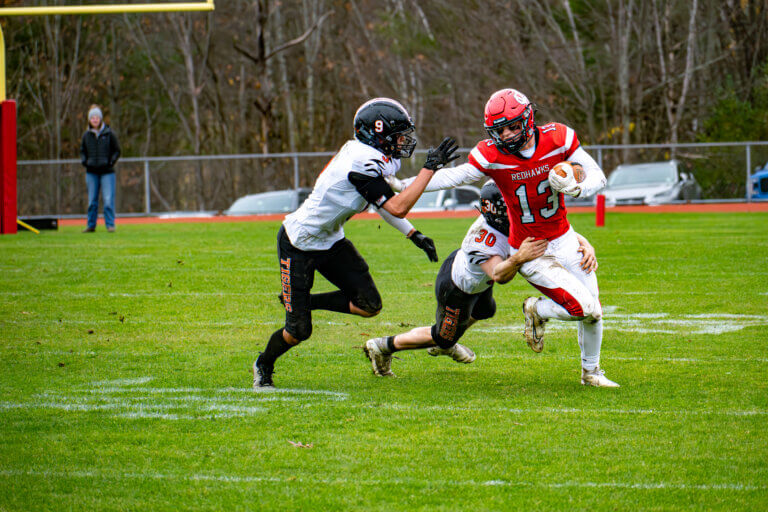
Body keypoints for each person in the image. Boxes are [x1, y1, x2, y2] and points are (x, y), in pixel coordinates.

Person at [393, 88, 618, 387]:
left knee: (595, 312)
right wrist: (402, 183)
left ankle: (591, 373)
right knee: (583, 308)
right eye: (501, 130)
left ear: (528, 118)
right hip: (530, 247)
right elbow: (455, 176)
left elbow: (597, 176)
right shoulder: (492, 154)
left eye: (513, 126)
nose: (509, 134)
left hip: (564, 237)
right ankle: (535, 308)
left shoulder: (558, 138)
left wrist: (577, 187)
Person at [253, 97, 459, 388]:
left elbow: (384, 204)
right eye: (397, 135)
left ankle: (304, 303)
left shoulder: (371, 155)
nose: (402, 141)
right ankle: (264, 363)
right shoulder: (361, 161)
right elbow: (397, 206)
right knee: (298, 331)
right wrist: (429, 169)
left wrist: (413, 234)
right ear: (377, 134)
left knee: (369, 305)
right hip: (298, 242)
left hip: (330, 240)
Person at [363, 180, 597, 377]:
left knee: (486, 310)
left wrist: (585, 244)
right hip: (458, 288)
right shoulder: (482, 237)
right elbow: (499, 275)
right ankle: (383, 346)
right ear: (494, 210)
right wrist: (519, 258)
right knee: (442, 337)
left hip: (478, 283)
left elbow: (558, 230)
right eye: (509, 207)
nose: (516, 211)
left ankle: (449, 338)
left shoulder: (513, 218)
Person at [80, 104, 120, 233]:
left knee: (108, 200)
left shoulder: (109, 134)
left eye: (97, 117)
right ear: (89, 120)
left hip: (107, 172)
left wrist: (110, 162)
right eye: (92, 118)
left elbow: (117, 151)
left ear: (101, 118)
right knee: (92, 201)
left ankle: (110, 225)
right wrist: (85, 162)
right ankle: (91, 225)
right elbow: (82, 151)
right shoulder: (86, 136)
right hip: (92, 172)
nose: (95, 120)